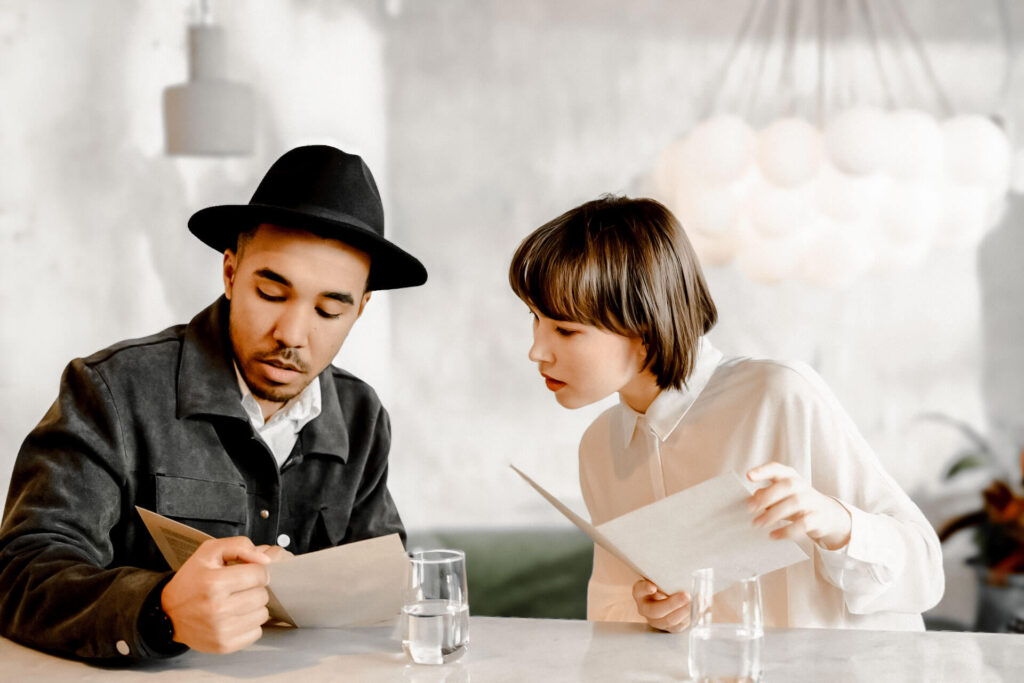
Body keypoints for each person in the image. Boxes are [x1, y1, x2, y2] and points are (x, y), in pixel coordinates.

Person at [0, 145, 427, 660]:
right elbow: (21, 573)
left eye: (329, 310)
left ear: (360, 310)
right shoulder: (112, 391)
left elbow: (381, 583)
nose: (292, 333)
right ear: (230, 274)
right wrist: (160, 611)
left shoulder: (362, 417)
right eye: (271, 293)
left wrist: (311, 588)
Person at [508, 195, 944, 632]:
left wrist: (834, 521)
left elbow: (925, 573)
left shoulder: (779, 394)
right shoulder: (600, 447)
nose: (536, 351)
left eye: (565, 329)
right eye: (535, 318)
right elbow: (610, 617)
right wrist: (651, 616)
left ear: (643, 326)